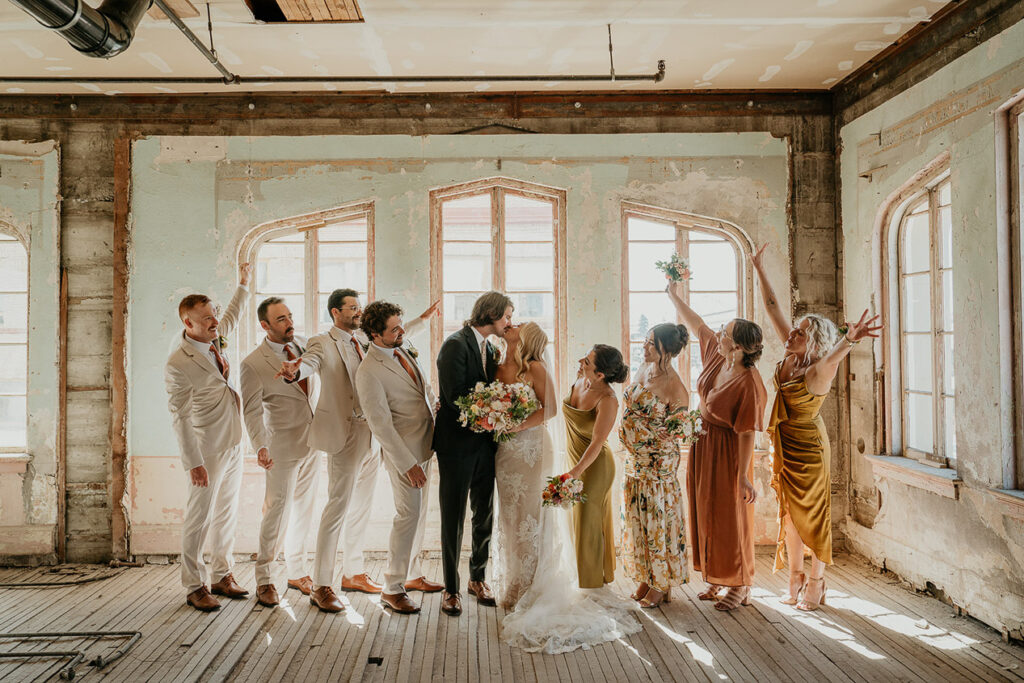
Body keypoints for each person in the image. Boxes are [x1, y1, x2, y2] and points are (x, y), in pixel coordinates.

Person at [278, 289, 436, 613]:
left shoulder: (365, 342)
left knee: (361, 508)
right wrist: (295, 371)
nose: (358, 312)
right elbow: (309, 363)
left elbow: (394, 338)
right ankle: (322, 585)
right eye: (352, 308)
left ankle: (353, 572)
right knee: (336, 508)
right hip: (345, 434)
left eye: (360, 307)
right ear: (336, 312)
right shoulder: (324, 342)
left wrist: (422, 319)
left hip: (374, 437)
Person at [751, 243, 881, 610]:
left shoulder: (818, 369)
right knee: (790, 514)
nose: (791, 334)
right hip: (785, 444)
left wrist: (850, 339)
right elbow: (773, 307)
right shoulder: (790, 357)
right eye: (793, 330)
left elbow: (839, 352)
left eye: (800, 332)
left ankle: (817, 582)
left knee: (816, 515)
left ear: (814, 341)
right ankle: (794, 578)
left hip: (810, 448)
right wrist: (759, 267)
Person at [667, 280, 767, 612]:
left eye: (726, 332)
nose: (719, 333)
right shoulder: (716, 355)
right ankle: (716, 576)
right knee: (706, 511)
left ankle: (741, 583)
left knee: (731, 516)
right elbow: (698, 326)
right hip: (703, 444)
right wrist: (674, 296)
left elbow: (747, 433)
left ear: (738, 346)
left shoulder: (749, 383)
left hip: (729, 453)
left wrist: (742, 476)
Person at [165, 262, 252, 612]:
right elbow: (179, 417)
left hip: (233, 441)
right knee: (198, 517)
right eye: (206, 318)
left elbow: (232, 315)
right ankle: (193, 585)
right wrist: (194, 463)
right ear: (188, 323)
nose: (215, 322)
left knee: (227, 511)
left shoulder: (216, 335)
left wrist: (243, 284)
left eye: (214, 315)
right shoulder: (179, 363)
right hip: (206, 449)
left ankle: (221, 573)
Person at [355, 301, 444, 615]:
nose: (402, 331)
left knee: (418, 515)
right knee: (407, 516)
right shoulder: (368, 372)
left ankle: (414, 575)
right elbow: (380, 424)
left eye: (400, 325)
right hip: (404, 453)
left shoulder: (402, 350)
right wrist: (407, 464)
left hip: (427, 444)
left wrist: (437, 409)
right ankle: (392, 588)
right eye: (395, 328)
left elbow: (424, 388)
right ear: (377, 335)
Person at [432, 291, 513, 616]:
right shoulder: (454, 344)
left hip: (486, 446)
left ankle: (477, 578)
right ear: (491, 314)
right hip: (456, 447)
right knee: (453, 517)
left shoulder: (491, 348)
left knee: (485, 513)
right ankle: (451, 589)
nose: (509, 321)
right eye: (506, 315)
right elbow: (454, 398)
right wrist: (490, 414)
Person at [240, 297, 320, 607]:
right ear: (265, 326)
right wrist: (260, 446)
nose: (290, 323)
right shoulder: (253, 363)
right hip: (281, 446)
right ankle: (264, 579)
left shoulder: (303, 345)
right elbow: (251, 411)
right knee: (276, 510)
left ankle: (297, 571)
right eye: (281, 319)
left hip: (313, 440)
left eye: (289, 316)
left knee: (304, 508)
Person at [619, 322, 691, 609]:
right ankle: (646, 576)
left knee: (657, 521)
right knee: (638, 519)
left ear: (666, 350)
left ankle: (661, 582)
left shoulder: (676, 386)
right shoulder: (643, 370)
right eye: (645, 341)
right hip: (635, 462)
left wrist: (665, 434)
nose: (644, 347)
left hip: (657, 466)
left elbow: (682, 431)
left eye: (651, 343)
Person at [491, 322, 555, 609]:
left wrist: (516, 426)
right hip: (504, 450)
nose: (510, 324)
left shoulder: (535, 368)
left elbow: (550, 408)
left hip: (532, 449)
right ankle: (512, 579)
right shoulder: (496, 363)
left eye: (518, 324)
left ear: (526, 338)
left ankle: (529, 586)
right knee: (509, 515)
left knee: (529, 517)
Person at [562, 344, 628, 589]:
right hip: (574, 461)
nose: (581, 361)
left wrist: (574, 473)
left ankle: (591, 588)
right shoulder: (581, 379)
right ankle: (586, 578)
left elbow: (599, 442)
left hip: (595, 467)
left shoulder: (608, 400)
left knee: (590, 523)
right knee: (577, 522)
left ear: (600, 375)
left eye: (587, 362)